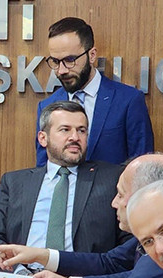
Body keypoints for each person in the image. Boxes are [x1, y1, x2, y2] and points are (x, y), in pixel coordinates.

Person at [0, 154, 163, 278]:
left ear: (147, 196)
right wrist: (43, 256)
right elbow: (111, 263)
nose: (113, 203)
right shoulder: (153, 238)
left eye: (120, 194)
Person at [0, 101, 127, 271]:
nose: (75, 137)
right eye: (65, 130)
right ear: (43, 138)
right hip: (24, 277)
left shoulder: (112, 178)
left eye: (81, 130)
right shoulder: (14, 182)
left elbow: (128, 246)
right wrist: (19, 272)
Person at [35, 17, 153, 167]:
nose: (61, 70)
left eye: (70, 60)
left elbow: (142, 167)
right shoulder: (47, 106)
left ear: (91, 55)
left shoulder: (128, 101)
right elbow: (44, 170)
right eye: (56, 62)